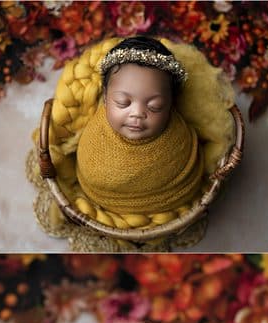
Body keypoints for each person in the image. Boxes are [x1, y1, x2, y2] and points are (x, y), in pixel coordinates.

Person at [76, 36, 204, 217]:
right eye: (122, 102)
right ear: (105, 97)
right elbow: (88, 170)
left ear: (171, 104)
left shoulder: (179, 141)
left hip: (166, 208)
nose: (137, 113)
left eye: (154, 106)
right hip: (103, 202)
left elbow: (191, 177)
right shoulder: (95, 138)